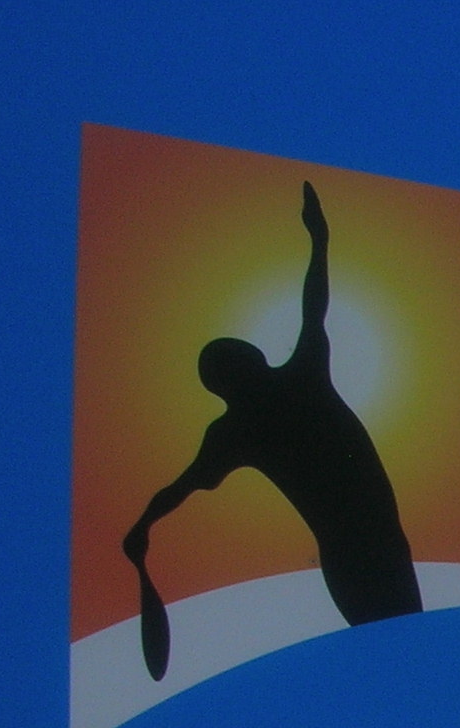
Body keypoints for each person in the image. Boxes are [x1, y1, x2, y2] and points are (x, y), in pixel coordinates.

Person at [122, 182, 420, 681]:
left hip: (355, 555)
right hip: (374, 545)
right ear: (248, 362)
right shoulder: (299, 376)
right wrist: (319, 237)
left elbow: (176, 490)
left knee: (396, 665)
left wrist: (141, 528)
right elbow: (314, 301)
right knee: (407, 662)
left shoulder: (236, 429)